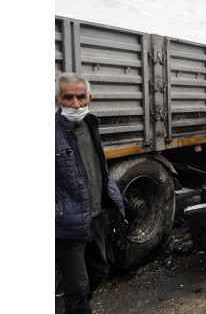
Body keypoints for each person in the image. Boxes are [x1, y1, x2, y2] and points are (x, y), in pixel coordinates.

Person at [55, 74, 126, 313]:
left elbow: (97, 167)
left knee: (99, 271)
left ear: (89, 99)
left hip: (93, 215)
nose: (75, 104)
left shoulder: (90, 125)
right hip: (68, 222)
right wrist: (58, 213)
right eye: (68, 98)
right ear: (57, 100)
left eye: (80, 97)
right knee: (76, 289)